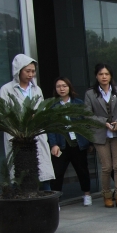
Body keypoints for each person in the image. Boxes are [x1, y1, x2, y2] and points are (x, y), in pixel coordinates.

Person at [0, 55, 56, 191]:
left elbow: (42, 109)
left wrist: (37, 115)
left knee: (43, 174)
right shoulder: (6, 89)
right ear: (18, 70)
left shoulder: (37, 89)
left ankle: (47, 201)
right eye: (27, 71)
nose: (31, 74)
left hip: (36, 134)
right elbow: (0, 112)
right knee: (20, 175)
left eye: (33, 71)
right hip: (18, 137)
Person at [83, 63, 117, 208]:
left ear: (110, 75)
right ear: (96, 76)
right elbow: (87, 114)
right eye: (101, 74)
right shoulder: (90, 93)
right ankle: (106, 195)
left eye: (106, 74)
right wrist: (104, 122)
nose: (104, 77)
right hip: (100, 134)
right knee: (107, 167)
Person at [47, 77, 92, 205]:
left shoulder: (78, 103)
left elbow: (86, 123)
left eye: (64, 86)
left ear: (69, 87)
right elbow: (51, 127)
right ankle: (55, 200)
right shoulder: (52, 106)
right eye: (58, 86)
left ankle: (87, 194)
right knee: (57, 172)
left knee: (82, 170)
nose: (61, 89)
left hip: (77, 143)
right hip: (61, 144)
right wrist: (53, 144)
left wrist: (88, 141)